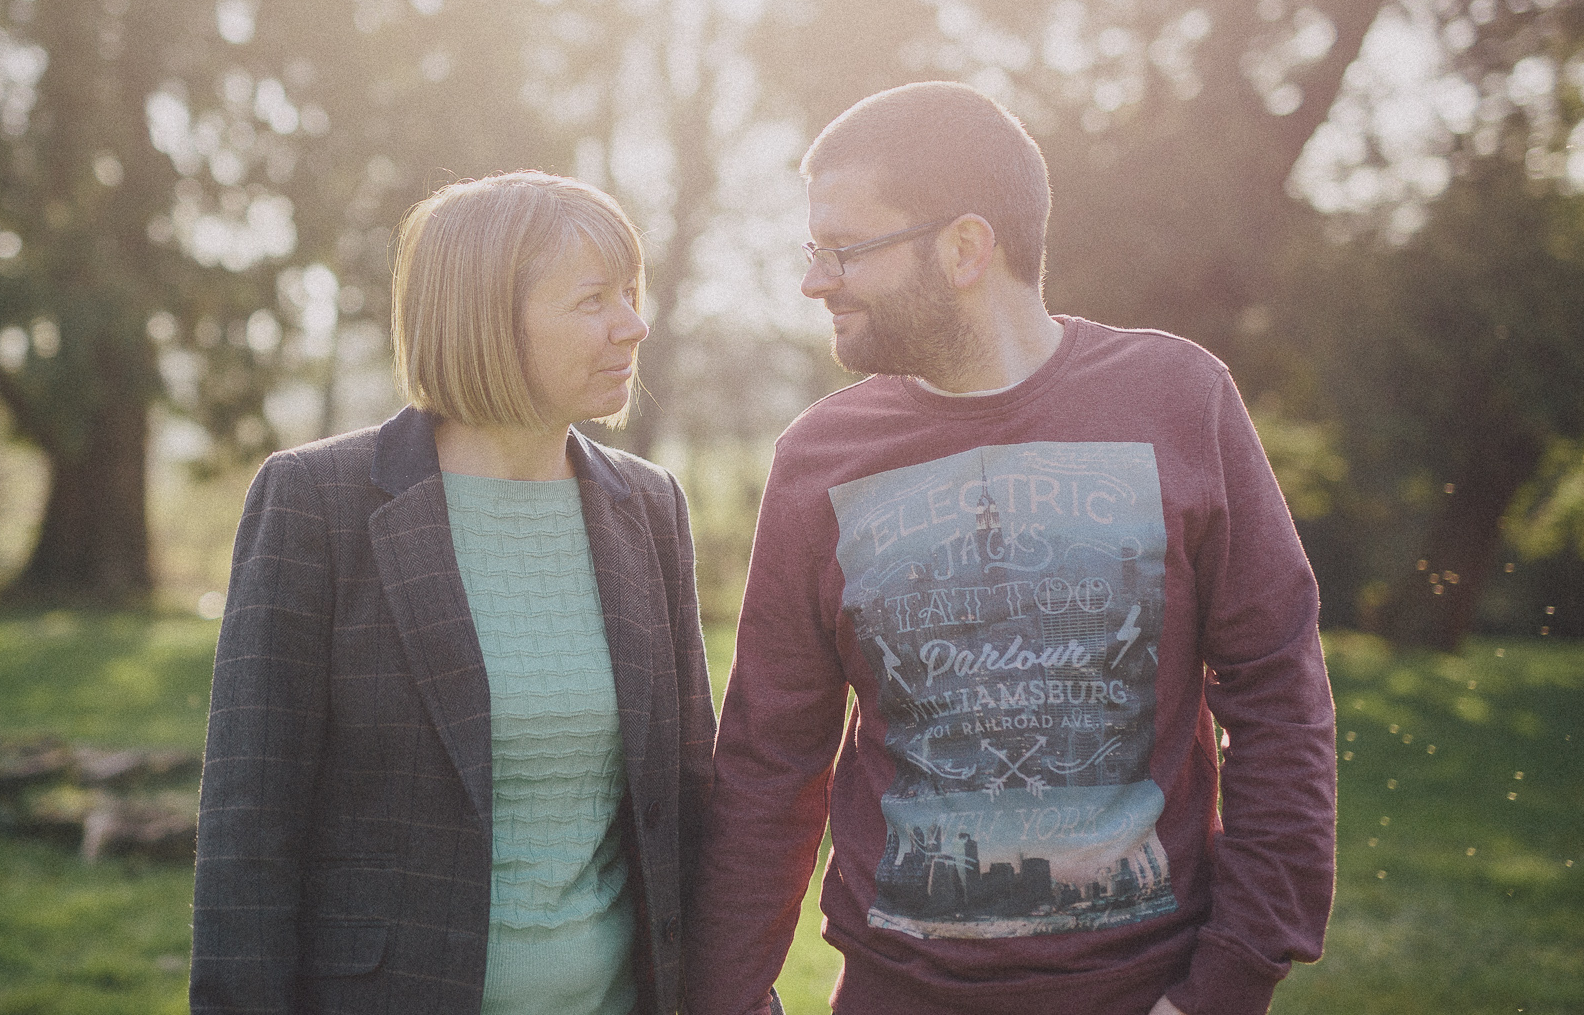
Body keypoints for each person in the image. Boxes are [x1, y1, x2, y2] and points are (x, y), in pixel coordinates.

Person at [686, 83, 1335, 1015]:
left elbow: (1279, 696)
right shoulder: (816, 459)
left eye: (845, 248)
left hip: (1147, 992)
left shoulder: (1177, 400)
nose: (814, 279)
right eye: (811, 248)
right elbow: (768, 762)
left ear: (964, 247)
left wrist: (1224, 987)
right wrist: (727, 998)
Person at [191, 171, 716, 1015]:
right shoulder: (315, 502)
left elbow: (689, 800)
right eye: (593, 300)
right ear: (486, 319)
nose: (633, 324)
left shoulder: (649, 505)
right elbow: (249, 833)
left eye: (631, 293)